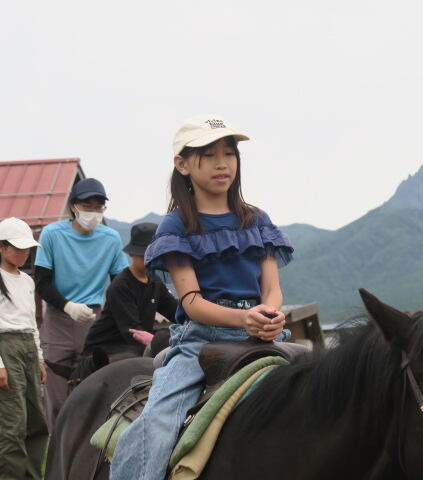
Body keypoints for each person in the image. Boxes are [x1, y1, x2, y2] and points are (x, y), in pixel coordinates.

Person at [110, 115, 294, 480]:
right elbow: (191, 302)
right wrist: (244, 318)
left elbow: (271, 288)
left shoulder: (257, 220)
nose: (222, 163)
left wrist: (270, 314)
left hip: (262, 336)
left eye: (229, 153)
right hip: (201, 344)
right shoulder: (177, 225)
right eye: (208, 155)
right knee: (158, 421)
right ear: (182, 164)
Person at [35, 178, 128, 431]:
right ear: (74, 207)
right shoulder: (52, 234)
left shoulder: (111, 238)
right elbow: (42, 282)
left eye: (99, 207)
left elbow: (120, 284)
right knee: (55, 392)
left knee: (95, 386)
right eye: (88, 206)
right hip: (58, 318)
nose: (93, 212)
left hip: (93, 318)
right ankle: (57, 445)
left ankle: (92, 446)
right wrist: (67, 306)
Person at [0, 217, 48, 480]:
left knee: (36, 422)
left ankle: (32, 476)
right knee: (12, 424)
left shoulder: (28, 281)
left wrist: (39, 358)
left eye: (26, 248)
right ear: (1, 247)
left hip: (28, 347)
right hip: (5, 347)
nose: (23, 253)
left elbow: (32, 323)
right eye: (17, 248)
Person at [81, 222, 178, 358]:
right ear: (132, 254)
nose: (149, 260)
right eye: (144, 255)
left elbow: (174, 310)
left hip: (132, 348)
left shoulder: (155, 282)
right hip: (105, 350)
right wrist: (158, 342)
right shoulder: (121, 285)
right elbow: (133, 331)